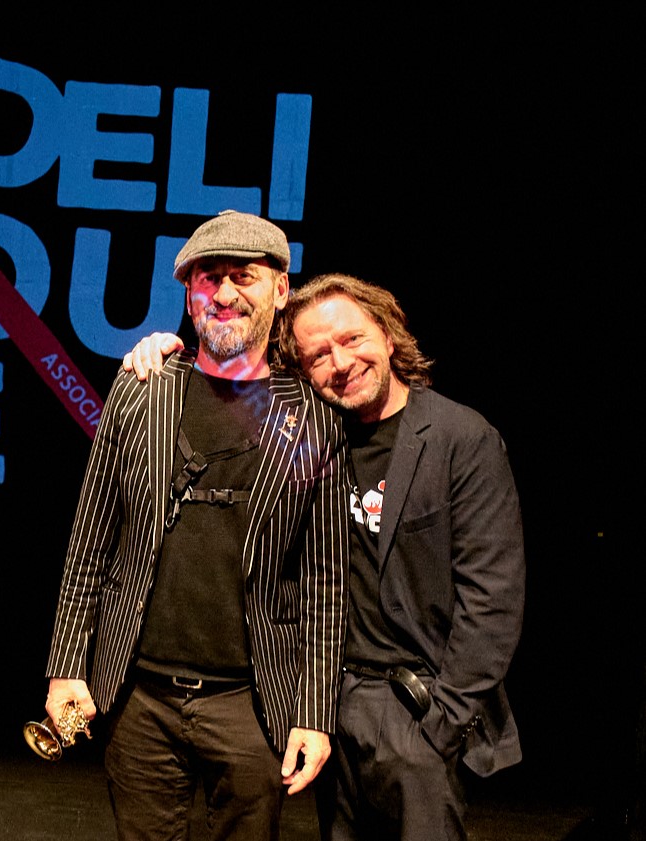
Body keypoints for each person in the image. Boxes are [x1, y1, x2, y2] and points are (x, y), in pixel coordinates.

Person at [127, 273, 525, 840]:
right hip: (328, 703)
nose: (341, 362)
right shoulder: (309, 435)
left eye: (353, 339)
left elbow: (493, 599)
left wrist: (440, 725)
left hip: (418, 706)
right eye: (317, 356)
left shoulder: (460, 438)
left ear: (388, 333)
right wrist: (164, 351)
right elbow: (234, 362)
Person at [44, 210, 349, 841]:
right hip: (138, 700)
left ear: (281, 289)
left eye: (243, 276)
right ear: (188, 294)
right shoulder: (140, 388)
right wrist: (67, 665)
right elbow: (90, 540)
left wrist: (315, 712)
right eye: (209, 278)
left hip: (254, 706)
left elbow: (325, 580)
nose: (225, 293)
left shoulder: (315, 417)